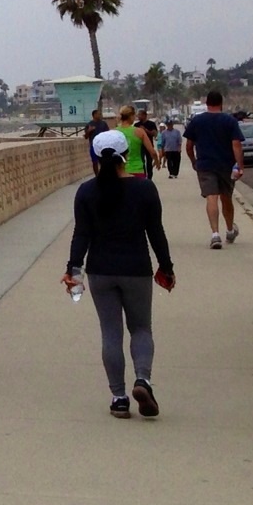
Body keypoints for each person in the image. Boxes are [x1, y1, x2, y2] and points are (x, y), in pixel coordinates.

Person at [64, 129, 176, 416]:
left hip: (100, 271)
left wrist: (73, 270)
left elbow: (81, 234)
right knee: (141, 328)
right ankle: (143, 380)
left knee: (111, 333)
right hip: (136, 269)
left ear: (95, 156)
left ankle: (119, 398)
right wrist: (166, 267)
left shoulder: (86, 191)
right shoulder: (145, 189)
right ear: (126, 154)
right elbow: (156, 232)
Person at [182, 90, 246, 248]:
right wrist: (239, 165)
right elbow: (236, 145)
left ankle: (215, 234)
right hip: (226, 165)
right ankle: (230, 230)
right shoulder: (229, 120)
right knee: (226, 197)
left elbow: (189, 146)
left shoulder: (197, 121)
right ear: (221, 103)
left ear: (207, 103)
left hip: (205, 165)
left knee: (211, 197)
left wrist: (194, 161)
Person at [116, 105, 156, 179]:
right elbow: (152, 152)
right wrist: (157, 161)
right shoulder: (139, 131)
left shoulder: (114, 132)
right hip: (137, 170)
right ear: (131, 116)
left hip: (120, 171)